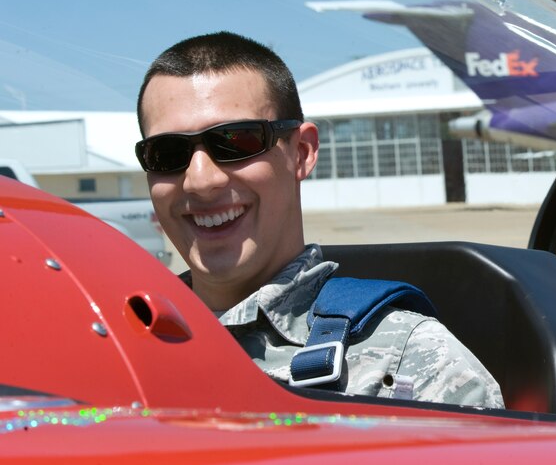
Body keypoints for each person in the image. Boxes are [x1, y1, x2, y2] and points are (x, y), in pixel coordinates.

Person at [134, 31, 504, 409]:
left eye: (234, 141)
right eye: (167, 153)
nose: (200, 181)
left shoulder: (411, 366)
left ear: (302, 153)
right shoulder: (118, 347)